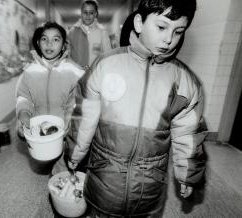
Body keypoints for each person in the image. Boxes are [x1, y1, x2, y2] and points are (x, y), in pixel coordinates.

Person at [66, 0, 207, 217]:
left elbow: (188, 133)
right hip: (105, 178)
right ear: (139, 23)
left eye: (178, 31)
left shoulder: (185, 81)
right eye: (161, 27)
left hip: (149, 186)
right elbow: (84, 115)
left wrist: (188, 173)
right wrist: (75, 152)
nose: (169, 39)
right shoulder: (106, 65)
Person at [15, 22, 84, 174]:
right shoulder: (29, 72)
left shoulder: (74, 71)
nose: (49, 44)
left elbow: (79, 101)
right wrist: (23, 114)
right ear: (38, 43)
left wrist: (69, 119)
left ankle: (61, 171)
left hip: (66, 129)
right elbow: (23, 97)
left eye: (55, 39)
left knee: (63, 171)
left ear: (64, 44)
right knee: (45, 158)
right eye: (44, 39)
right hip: (40, 129)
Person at [68, 0, 111, 70]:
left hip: (95, 74)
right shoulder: (72, 32)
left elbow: (108, 56)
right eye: (85, 12)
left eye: (91, 13)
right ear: (81, 13)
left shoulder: (102, 32)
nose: (88, 15)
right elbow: (67, 55)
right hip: (75, 74)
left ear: (95, 14)